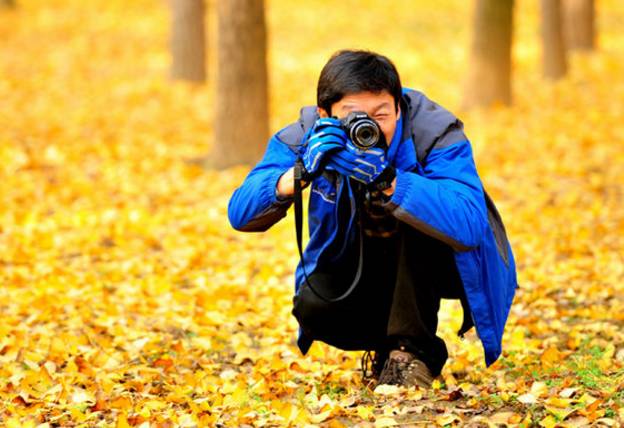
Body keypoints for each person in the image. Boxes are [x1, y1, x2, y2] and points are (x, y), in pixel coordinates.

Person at [228, 50, 517, 388]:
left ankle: (410, 353)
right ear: (326, 114)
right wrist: (299, 173)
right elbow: (240, 213)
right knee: (313, 307)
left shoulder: (434, 131)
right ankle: (386, 343)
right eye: (353, 116)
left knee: (417, 215)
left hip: (442, 263)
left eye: (382, 115)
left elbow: (469, 223)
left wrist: (391, 181)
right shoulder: (307, 134)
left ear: (399, 107)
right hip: (361, 261)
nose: (370, 126)